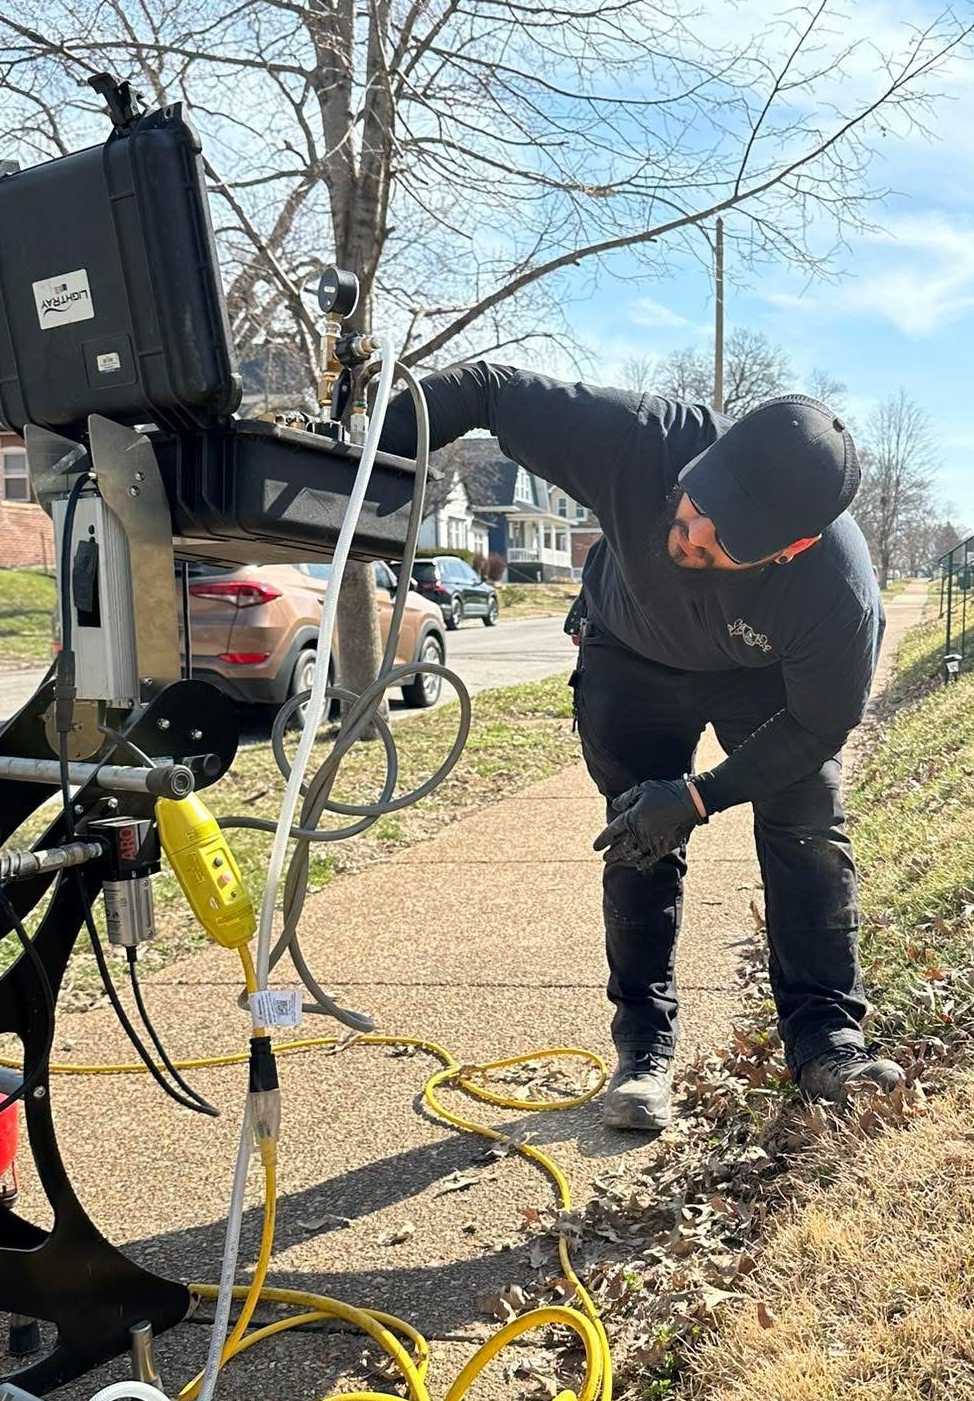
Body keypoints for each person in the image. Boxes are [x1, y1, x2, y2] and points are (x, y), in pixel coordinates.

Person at [378, 362, 906, 1133]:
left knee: (807, 831)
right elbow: (481, 389)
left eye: (724, 539)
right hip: (628, 651)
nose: (690, 533)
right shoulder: (640, 439)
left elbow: (817, 727)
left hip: (761, 678)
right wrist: (365, 470)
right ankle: (643, 1052)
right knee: (639, 836)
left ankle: (826, 1040)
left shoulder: (837, 594)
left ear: (791, 548)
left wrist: (699, 797)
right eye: (696, 505)